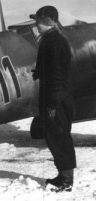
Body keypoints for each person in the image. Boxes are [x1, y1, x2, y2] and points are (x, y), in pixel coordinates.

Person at [30, 6, 76, 192]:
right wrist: (39, 72)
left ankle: (67, 180)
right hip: (53, 97)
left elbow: (58, 75)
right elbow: (52, 68)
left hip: (57, 99)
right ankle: (62, 175)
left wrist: (53, 103)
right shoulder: (50, 40)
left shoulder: (55, 42)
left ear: (48, 21)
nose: (36, 24)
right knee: (54, 136)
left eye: (38, 21)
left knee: (59, 137)